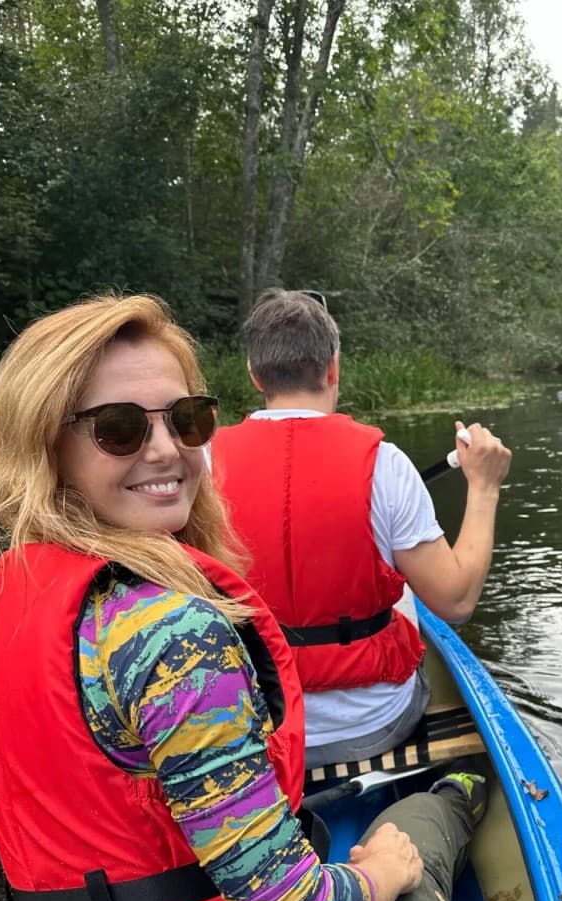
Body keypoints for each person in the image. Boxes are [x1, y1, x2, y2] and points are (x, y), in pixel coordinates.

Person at [0, 293, 486, 901]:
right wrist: (379, 873)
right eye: (118, 429)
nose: (165, 450)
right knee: (423, 829)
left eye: (185, 420)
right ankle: (456, 801)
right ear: (44, 444)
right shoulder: (177, 636)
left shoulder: (25, 580)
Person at [211, 290, 512, 770]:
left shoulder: (202, 464)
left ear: (254, 372)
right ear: (333, 367)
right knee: (407, 597)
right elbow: (455, 603)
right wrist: (484, 486)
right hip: (371, 727)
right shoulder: (385, 464)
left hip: (251, 729)